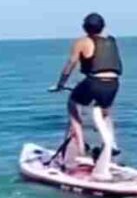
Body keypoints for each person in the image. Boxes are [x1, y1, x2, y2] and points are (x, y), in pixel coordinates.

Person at [52, 12, 123, 181]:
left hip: (94, 82)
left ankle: (81, 146)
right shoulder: (111, 41)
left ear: (85, 28)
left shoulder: (83, 42)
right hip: (113, 84)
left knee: (73, 104)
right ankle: (110, 145)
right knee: (104, 112)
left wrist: (60, 84)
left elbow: (71, 64)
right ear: (103, 26)